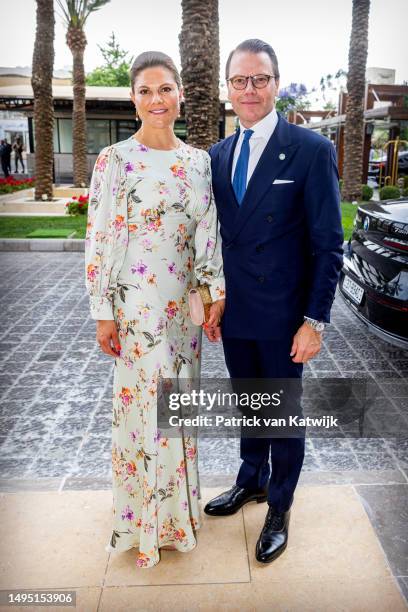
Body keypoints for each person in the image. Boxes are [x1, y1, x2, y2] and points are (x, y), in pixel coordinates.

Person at [203, 39, 344, 564]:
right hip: (236, 314)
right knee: (250, 407)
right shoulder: (217, 156)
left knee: (283, 415)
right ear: (227, 88)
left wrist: (316, 321)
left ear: (277, 84)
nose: (249, 90)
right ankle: (251, 480)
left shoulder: (309, 150)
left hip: (286, 316)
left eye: (259, 79)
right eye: (239, 80)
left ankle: (279, 506)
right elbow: (212, 238)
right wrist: (210, 299)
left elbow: (329, 242)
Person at [85, 51, 225, 568]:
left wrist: (214, 296)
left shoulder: (198, 161)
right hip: (136, 310)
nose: (156, 99)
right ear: (133, 99)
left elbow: (206, 233)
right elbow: (99, 238)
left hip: (182, 310)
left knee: (178, 408)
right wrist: (103, 310)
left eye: (164, 88)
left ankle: (175, 519)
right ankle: (143, 526)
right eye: (145, 91)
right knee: (147, 413)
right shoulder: (115, 160)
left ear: (180, 94)